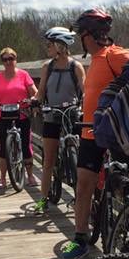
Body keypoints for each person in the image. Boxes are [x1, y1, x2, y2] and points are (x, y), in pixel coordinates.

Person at [58, 9, 129, 259]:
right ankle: (80, 238)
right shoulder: (96, 59)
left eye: (81, 34)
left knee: (124, 184)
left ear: (87, 35)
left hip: (114, 133)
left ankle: (126, 231)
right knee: (84, 183)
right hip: (90, 131)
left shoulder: (116, 56)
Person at [32, 26, 85, 214]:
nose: (47, 48)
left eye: (50, 44)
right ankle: (43, 199)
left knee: (81, 159)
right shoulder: (48, 66)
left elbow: (85, 91)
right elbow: (41, 91)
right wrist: (35, 101)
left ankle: (83, 197)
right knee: (48, 161)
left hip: (71, 115)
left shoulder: (75, 67)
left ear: (59, 45)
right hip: (51, 114)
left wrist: (86, 105)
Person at [0, 47, 38, 191]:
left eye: (11, 59)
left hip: (22, 112)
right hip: (4, 114)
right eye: (5, 59)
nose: (8, 62)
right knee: (3, 148)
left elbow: (34, 92)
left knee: (26, 145)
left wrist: (33, 99)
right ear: (2, 62)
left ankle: (30, 176)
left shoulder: (24, 75)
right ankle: (3, 178)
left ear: (16, 59)